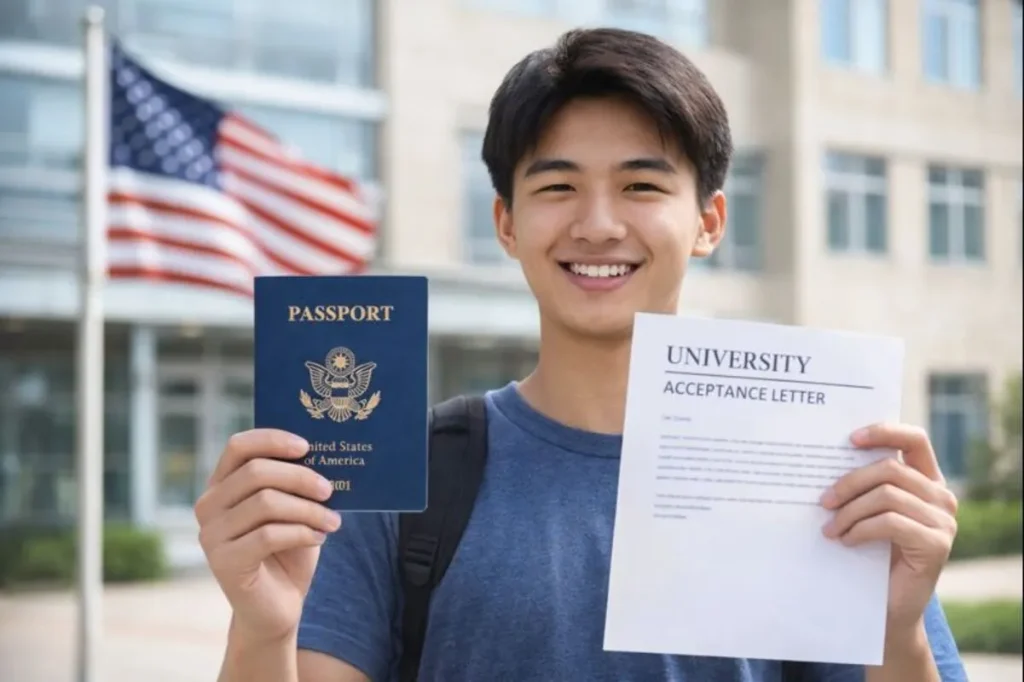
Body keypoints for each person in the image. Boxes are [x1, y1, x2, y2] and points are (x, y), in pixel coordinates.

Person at [197, 27, 968, 682]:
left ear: (708, 222)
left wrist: (896, 633)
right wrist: (262, 631)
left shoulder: (822, 473)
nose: (598, 226)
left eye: (640, 186)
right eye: (558, 187)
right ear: (506, 223)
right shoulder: (401, 478)